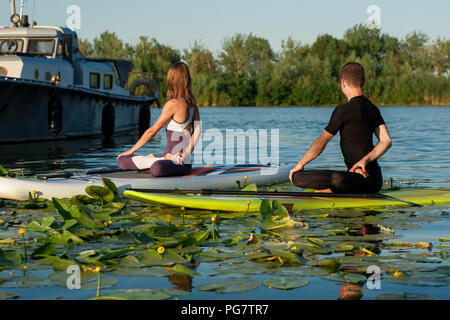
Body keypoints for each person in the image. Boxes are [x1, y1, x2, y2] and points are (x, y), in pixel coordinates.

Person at [289, 62, 392, 194]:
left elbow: (322, 142)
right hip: (375, 181)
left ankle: (330, 189)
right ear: (363, 82)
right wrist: (364, 161)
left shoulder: (342, 111)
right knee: (338, 181)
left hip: (354, 180)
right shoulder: (372, 109)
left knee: (297, 177)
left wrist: (300, 164)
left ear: (343, 82)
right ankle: (327, 191)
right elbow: (386, 141)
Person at [117, 62, 201, 177]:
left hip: (178, 163)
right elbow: (197, 132)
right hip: (174, 162)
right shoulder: (193, 105)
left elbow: (152, 131)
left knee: (155, 168)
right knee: (123, 161)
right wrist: (187, 153)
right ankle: (158, 159)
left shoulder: (173, 104)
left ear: (172, 80)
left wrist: (131, 151)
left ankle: (155, 160)